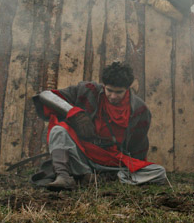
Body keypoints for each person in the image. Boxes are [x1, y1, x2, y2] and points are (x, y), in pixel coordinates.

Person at [31, 61, 167, 190]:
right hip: (82, 156)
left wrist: (137, 168)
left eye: (119, 92)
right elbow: (46, 95)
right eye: (109, 90)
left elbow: (139, 145)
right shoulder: (87, 90)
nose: (113, 96)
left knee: (159, 172)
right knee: (58, 129)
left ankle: (102, 178)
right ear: (104, 85)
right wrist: (75, 113)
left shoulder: (139, 109)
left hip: (113, 161)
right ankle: (64, 177)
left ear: (127, 88)